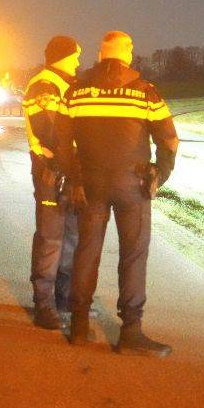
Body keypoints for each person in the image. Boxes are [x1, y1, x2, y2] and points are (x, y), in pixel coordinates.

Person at [55, 30, 179, 356]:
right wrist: (159, 175)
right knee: (133, 256)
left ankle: (79, 326)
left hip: (90, 184)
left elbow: (61, 141)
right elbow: (169, 140)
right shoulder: (145, 93)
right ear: (128, 54)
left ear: (99, 55)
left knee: (86, 250)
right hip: (132, 186)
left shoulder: (76, 92)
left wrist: (74, 178)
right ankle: (131, 333)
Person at [21, 36, 82, 330]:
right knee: (50, 237)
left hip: (68, 171)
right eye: (75, 56)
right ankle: (44, 306)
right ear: (62, 56)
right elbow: (47, 130)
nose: (79, 62)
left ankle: (63, 300)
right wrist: (62, 164)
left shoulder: (64, 85)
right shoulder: (45, 85)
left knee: (70, 237)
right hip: (51, 170)